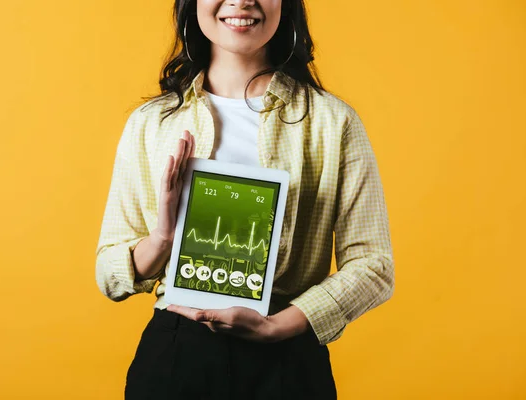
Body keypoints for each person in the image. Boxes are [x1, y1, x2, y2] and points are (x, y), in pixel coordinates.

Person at [95, 0, 395, 399]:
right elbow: (109, 273)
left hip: (287, 359)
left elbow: (374, 266)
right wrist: (164, 236)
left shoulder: (333, 122)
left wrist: (279, 326)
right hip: (177, 356)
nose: (241, 1)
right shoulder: (152, 123)